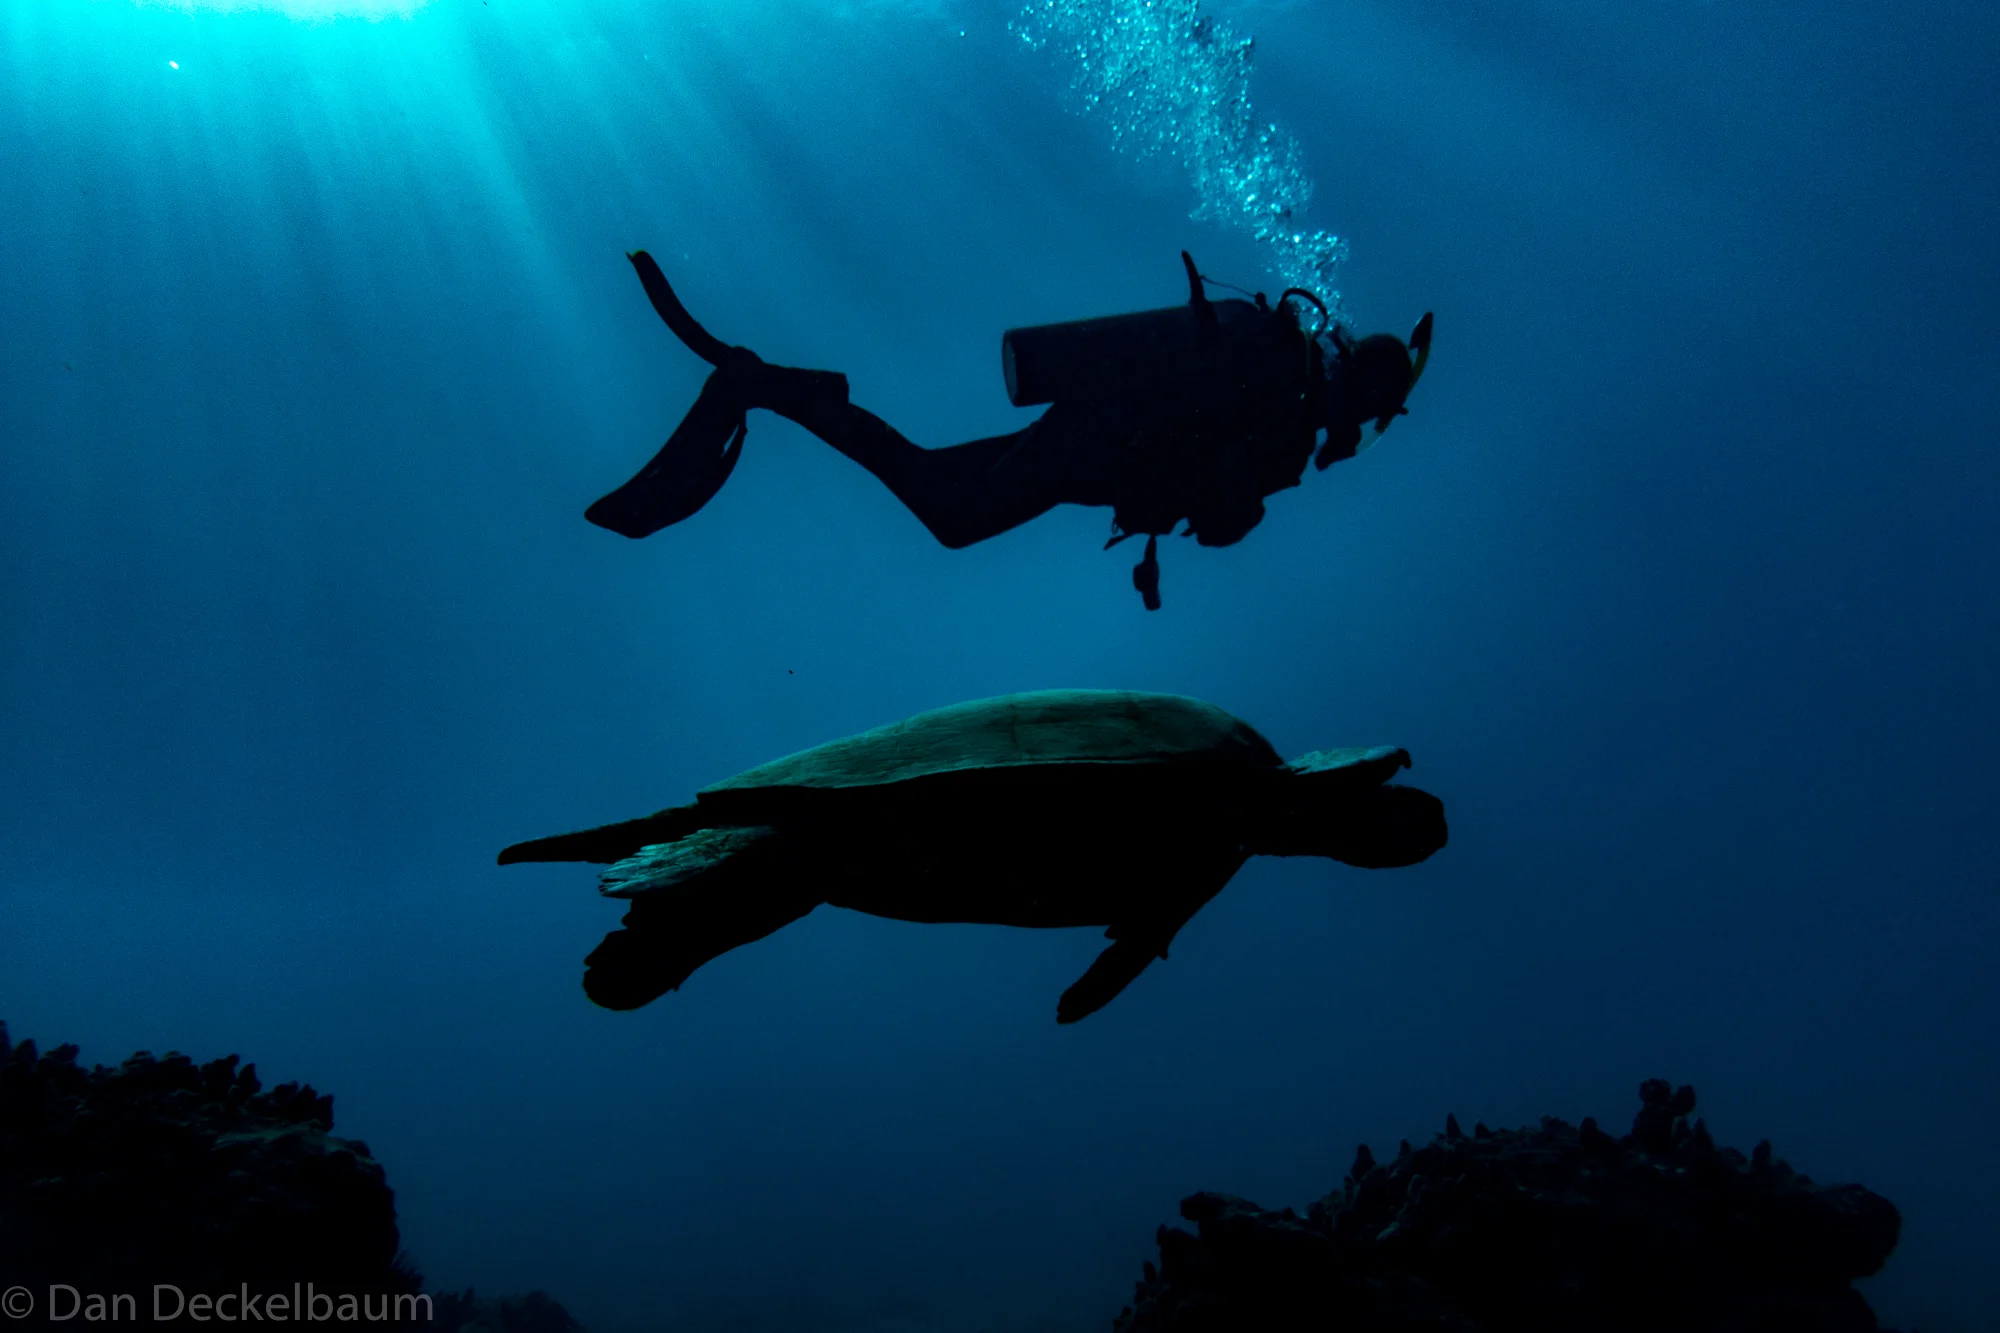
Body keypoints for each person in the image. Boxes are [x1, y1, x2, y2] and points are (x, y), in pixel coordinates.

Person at [587, 250, 1431, 608]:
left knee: (930, 478)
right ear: (1365, 393)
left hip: (1093, 444)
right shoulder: (1284, 402)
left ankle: (784, 390)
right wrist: (1245, 496)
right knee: (952, 516)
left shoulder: (1280, 377)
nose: (1363, 427)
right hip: (1093, 447)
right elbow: (1220, 517)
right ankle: (765, 387)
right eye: (1373, 413)